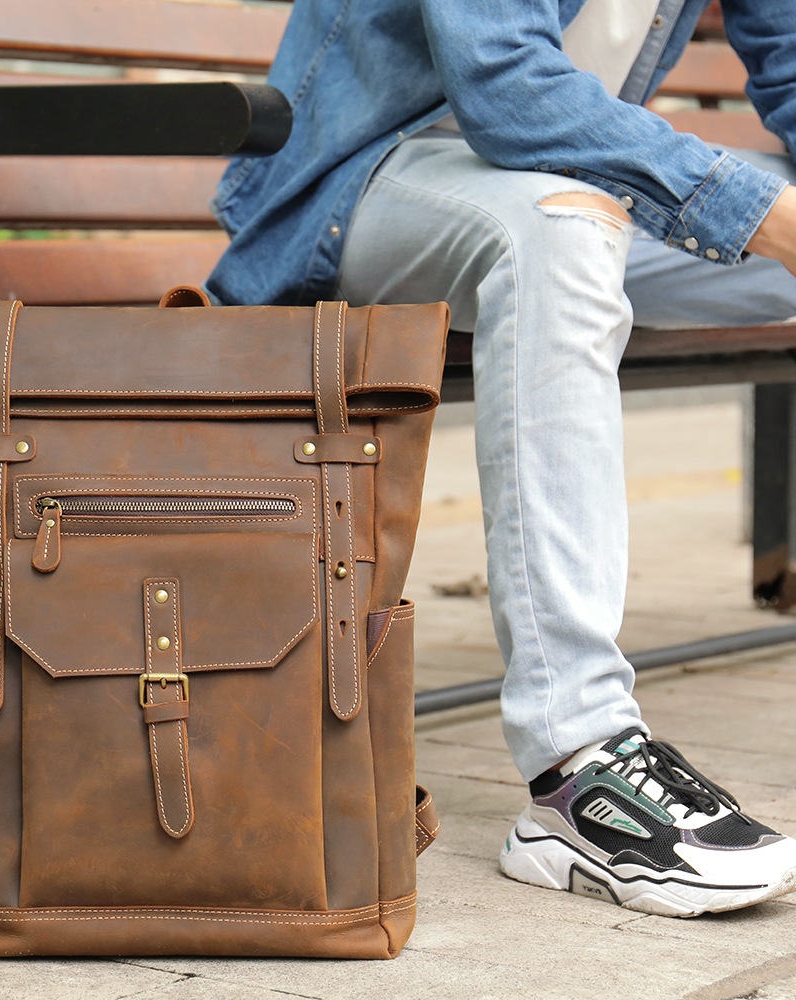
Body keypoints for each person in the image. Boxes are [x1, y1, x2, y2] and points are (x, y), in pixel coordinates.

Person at [204, 0, 796, 916]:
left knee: (582, 218)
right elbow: (508, 87)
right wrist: (762, 210)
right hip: (361, 187)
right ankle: (577, 763)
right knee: (558, 229)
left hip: (571, 184)